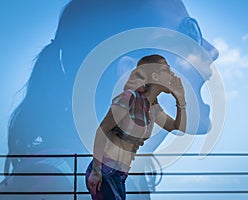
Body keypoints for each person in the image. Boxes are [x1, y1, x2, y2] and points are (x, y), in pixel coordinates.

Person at [0, 0, 219, 199]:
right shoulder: (50, 184)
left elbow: (176, 124)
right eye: (189, 33)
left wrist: (181, 101)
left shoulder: (135, 180)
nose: (212, 50)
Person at [86, 54, 186, 200]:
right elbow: (103, 130)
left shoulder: (153, 108)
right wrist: (96, 171)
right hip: (105, 171)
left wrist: (180, 100)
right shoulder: (129, 98)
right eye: (167, 71)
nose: (172, 75)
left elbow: (178, 128)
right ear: (155, 77)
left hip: (119, 175)